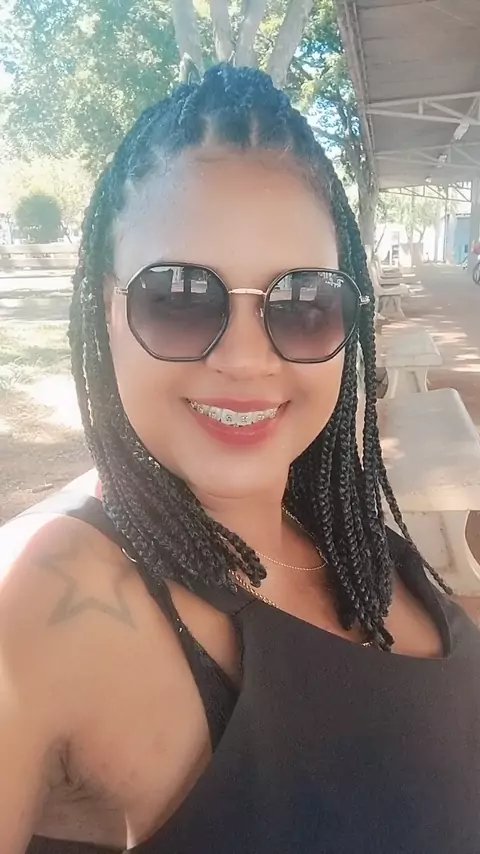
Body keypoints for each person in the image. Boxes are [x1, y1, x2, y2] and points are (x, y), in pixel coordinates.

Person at [1, 64, 479, 854]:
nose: (247, 359)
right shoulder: (48, 602)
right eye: (179, 298)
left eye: (304, 302)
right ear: (107, 312)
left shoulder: (340, 531)